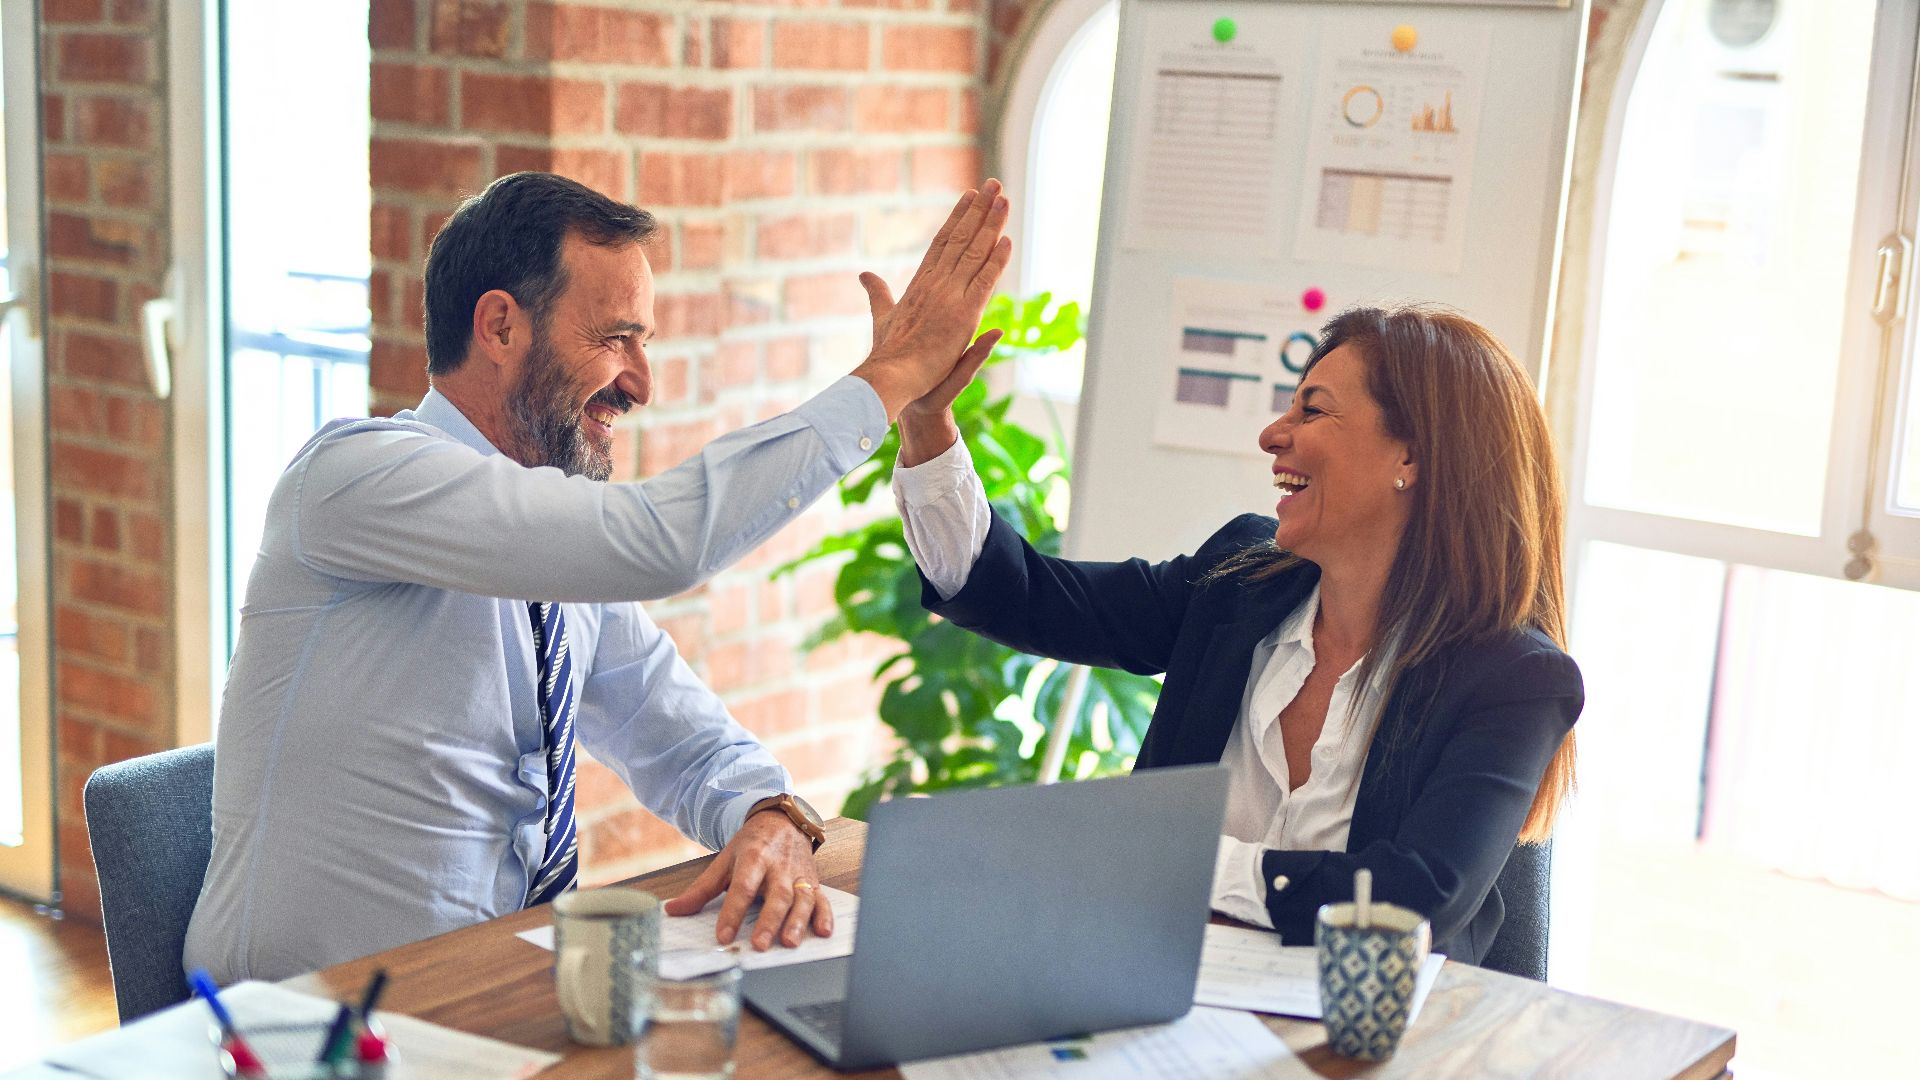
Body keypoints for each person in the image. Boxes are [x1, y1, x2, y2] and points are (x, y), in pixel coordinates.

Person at [185, 172, 1013, 983]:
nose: (641, 384)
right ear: (501, 328)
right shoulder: (356, 478)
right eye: (617, 337)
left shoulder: (555, 557)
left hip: (492, 997)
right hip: (304, 1029)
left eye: (643, 343)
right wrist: (891, 377)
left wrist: (771, 815)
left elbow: (682, 738)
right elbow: (663, 542)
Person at [891, 304, 1582, 963]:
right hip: (1160, 994)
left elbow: (1410, 903)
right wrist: (927, 425)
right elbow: (1025, 596)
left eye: (1311, 409)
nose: (1272, 435)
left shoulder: (1514, 679)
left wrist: (1177, 860)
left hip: (1370, 1045)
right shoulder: (1239, 582)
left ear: (1411, 458)